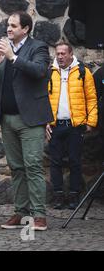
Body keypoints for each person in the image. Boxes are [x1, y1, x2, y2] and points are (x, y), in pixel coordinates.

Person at [0, 11, 53, 231]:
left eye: (13, 25)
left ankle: (39, 214)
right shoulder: (3, 49)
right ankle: (21, 212)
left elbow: (40, 71)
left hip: (30, 119)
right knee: (16, 167)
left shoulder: (38, 47)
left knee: (32, 166)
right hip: (7, 119)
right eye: (8, 25)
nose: (9, 29)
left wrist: (12, 57)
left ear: (26, 29)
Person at [46, 42, 97, 210]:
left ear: (70, 54)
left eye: (63, 53)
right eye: (57, 54)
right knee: (55, 162)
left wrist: (91, 122)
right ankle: (59, 196)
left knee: (75, 161)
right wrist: (45, 122)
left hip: (75, 125)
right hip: (55, 125)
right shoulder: (49, 73)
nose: (59, 56)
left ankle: (74, 196)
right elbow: (43, 99)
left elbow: (91, 98)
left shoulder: (83, 72)